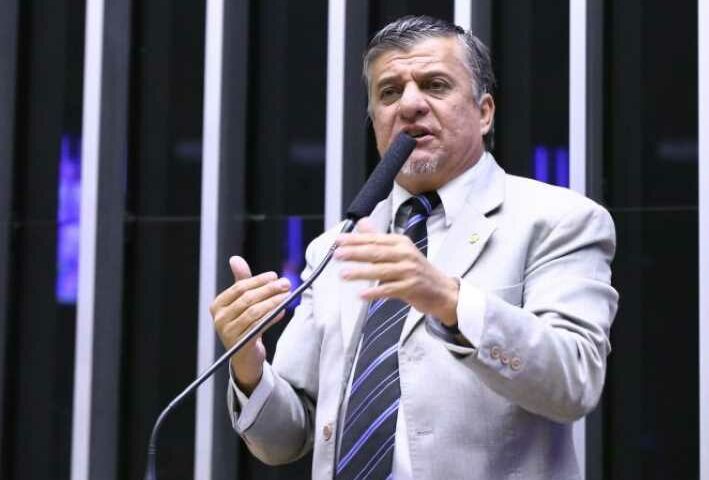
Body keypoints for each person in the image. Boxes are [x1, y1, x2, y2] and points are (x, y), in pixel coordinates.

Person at [210, 15, 618, 480]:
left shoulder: (558, 220)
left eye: (435, 85)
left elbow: (574, 382)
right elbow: (285, 440)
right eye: (389, 93)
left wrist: (450, 300)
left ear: (484, 112)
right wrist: (248, 365)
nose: (409, 105)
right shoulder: (336, 247)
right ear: (375, 122)